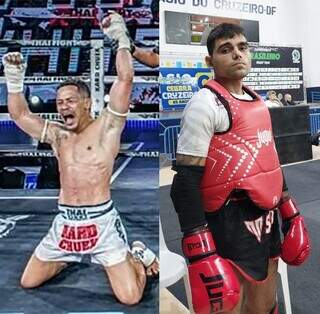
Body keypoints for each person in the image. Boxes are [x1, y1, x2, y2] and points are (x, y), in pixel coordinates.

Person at [2, 12, 159, 305]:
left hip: (101, 223)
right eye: (60, 102)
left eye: (70, 100)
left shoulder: (107, 128)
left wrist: (121, 40)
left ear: (87, 102)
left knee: (130, 298)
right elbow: (19, 114)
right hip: (64, 224)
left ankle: (136, 254)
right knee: (28, 281)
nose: (63, 107)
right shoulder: (58, 135)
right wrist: (14, 79)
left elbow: (125, 78)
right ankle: (67, 257)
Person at [170, 23, 310, 314]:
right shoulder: (205, 105)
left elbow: (269, 162)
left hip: (266, 220)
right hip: (226, 222)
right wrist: (201, 250)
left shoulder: (259, 102)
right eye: (225, 49)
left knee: (265, 305)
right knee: (230, 306)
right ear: (210, 61)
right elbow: (185, 182)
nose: (237, 54)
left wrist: (290, 211)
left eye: (242, 47)